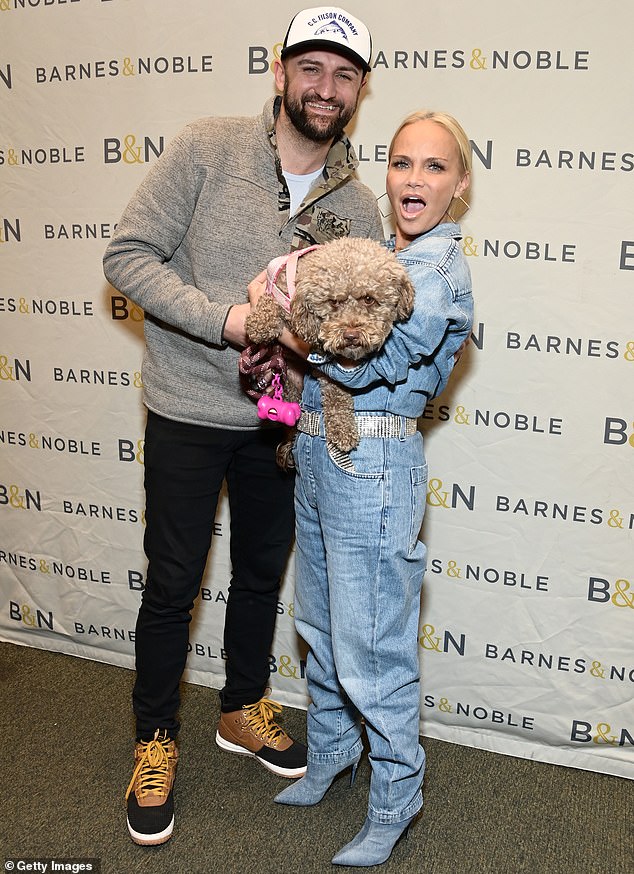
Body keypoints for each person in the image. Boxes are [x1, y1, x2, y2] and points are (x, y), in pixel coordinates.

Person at [102, 6, 384, 847]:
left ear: (360, 90)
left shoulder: (359, 203)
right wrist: (230, 321)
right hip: (188, 407)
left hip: (281, 420)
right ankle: (156, 738)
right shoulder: (205, 146)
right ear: (280, 70)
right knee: (173, 581)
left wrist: (311, 364)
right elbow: (127, 257)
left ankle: (240, 707)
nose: (325, 89)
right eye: (312, 68)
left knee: (263, 573)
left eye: (344, 75)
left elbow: (352, 327)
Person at [266, 110, 474, 867]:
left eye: (434, 167)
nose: (414, 179)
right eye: (402, 163)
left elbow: (358, 363)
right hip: (319, 456)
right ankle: (331, 753)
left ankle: (397, 794)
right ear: (385, 174)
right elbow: (321, 372)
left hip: (375, 465)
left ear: (460, 186)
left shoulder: (438, 270)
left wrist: (285, 320)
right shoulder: (378, 257)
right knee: (320, 625)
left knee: (372, 648)